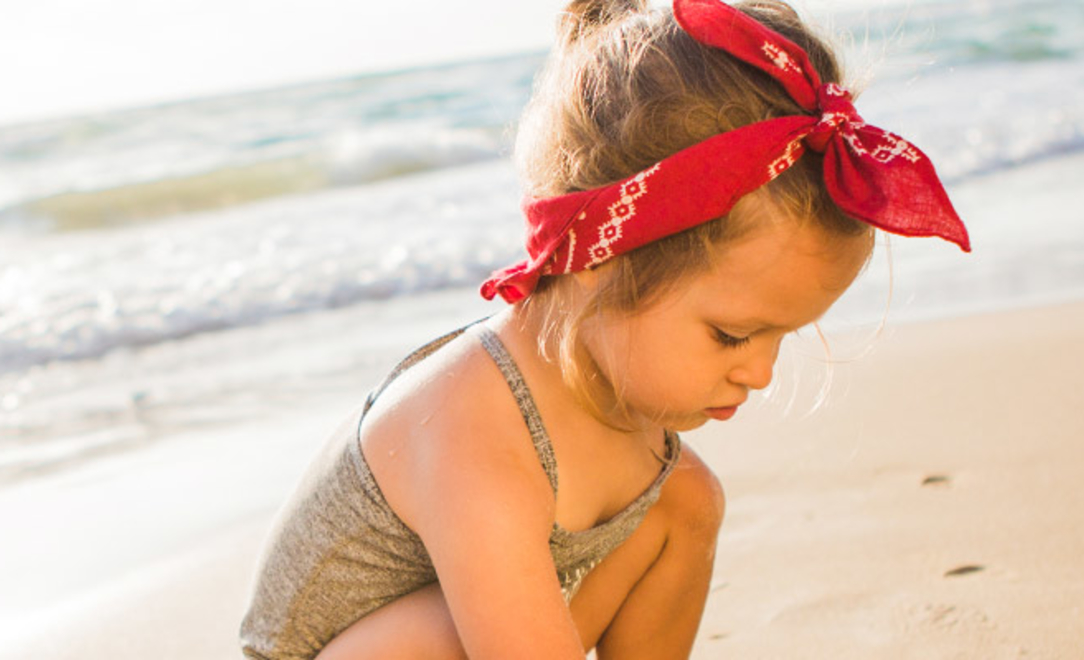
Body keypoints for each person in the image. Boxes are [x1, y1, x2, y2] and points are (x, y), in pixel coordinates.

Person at [240, 0, 970, 658]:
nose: (761, 373)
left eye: (783, 336)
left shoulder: (616, 391)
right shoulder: (474, 434)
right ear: (596, 260)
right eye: (731, 335)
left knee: (683, 501)